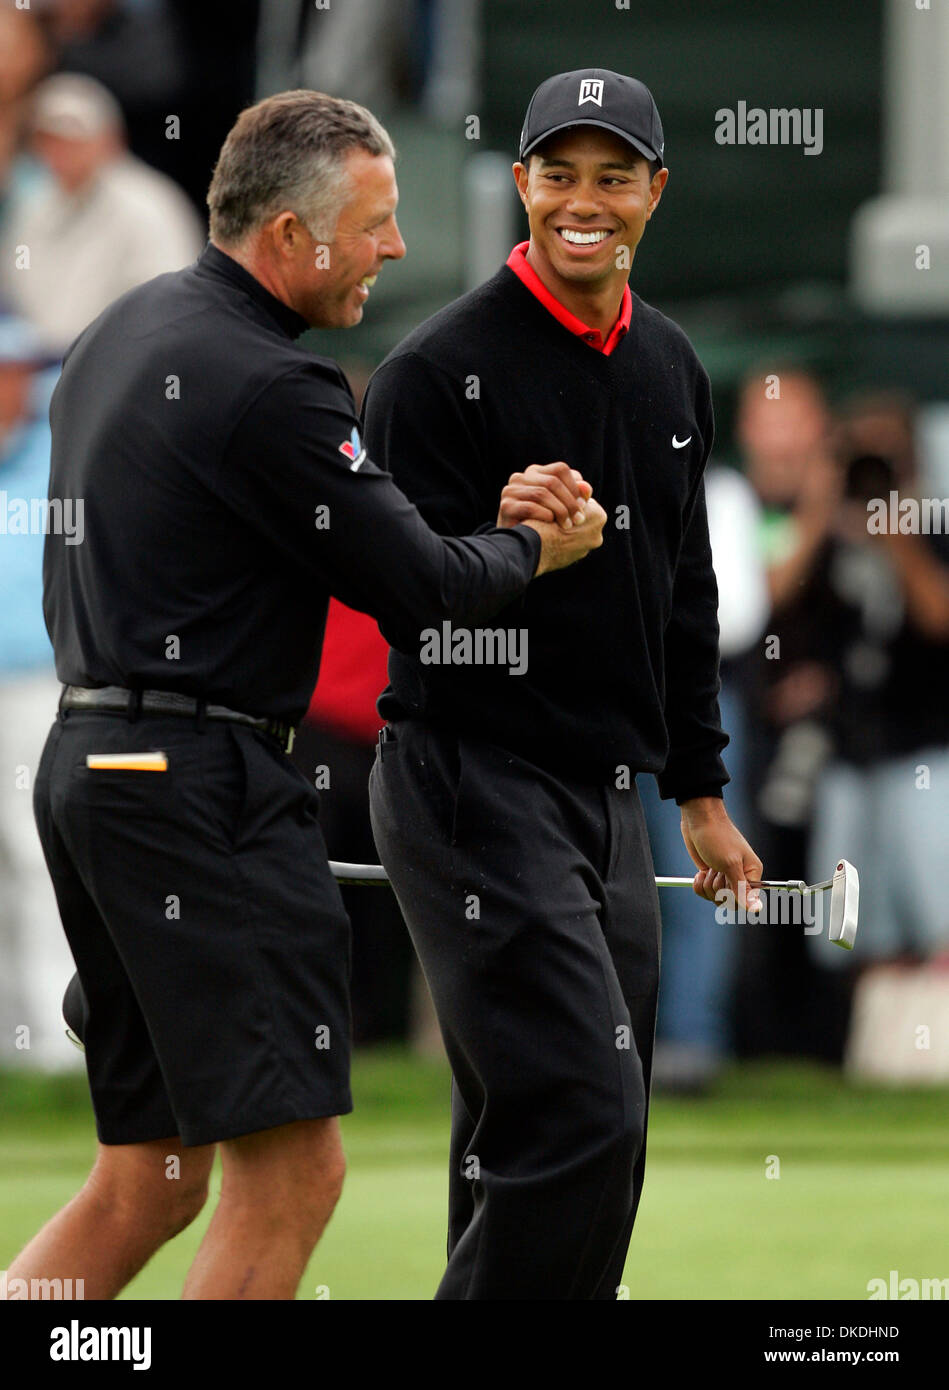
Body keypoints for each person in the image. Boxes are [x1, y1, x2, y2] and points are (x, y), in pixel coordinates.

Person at [4, 89, 604, 1302]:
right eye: (376, 225)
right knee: (291, 1177)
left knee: (152, 1177)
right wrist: (537, 548)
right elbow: (426, 592)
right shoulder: (277, 382)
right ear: (289, 236)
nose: (391, 249)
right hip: (201, 794)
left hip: (90, 770)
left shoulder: (123, 329)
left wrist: (455, 535)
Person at [363, 67, 764, 1300]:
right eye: (558, 174)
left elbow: (683, 599)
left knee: (566, 1127)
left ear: (654, 191)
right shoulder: (436, 368)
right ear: (521, 184)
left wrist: (698, 791)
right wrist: (506, 538)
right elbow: (399, 597)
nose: (582, 202)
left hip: (599, 795)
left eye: (612, 177)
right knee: (581, 1111)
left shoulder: (671, 366)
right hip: (466, 777)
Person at [0, 73, 204, 354]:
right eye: (50, 139)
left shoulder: (150, 205)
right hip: (39, 358)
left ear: (110, 138)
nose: (61, 151)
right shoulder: (34, 204)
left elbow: (170, 308)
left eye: (73, 139)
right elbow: (15, 291)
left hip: (117, 363)